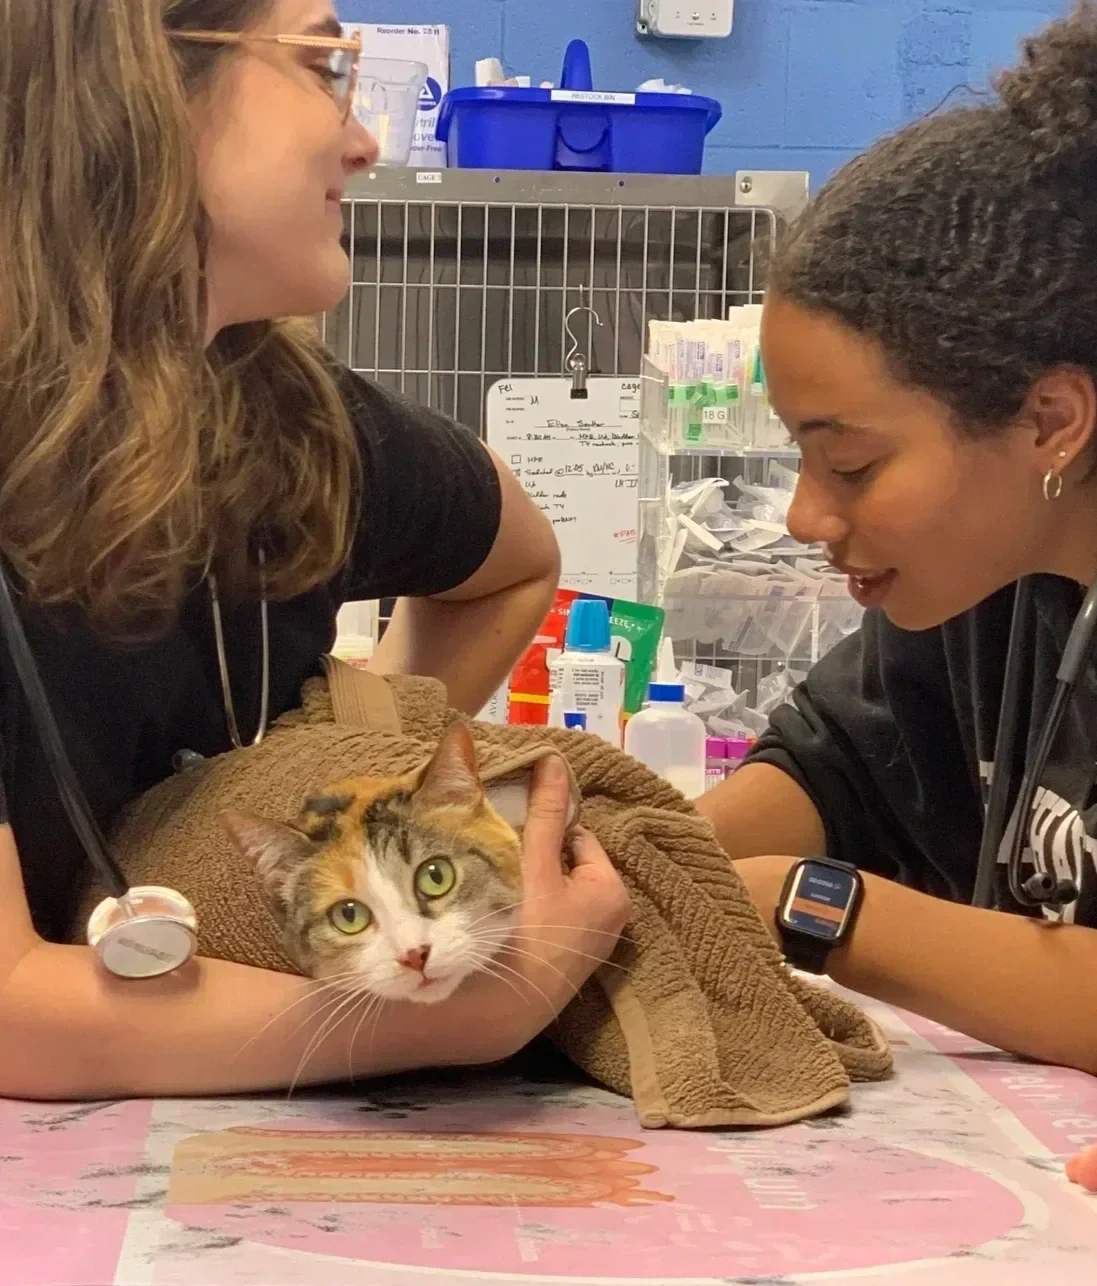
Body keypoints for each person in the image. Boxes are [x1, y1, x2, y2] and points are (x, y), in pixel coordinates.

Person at [0, 0, 629, 1101]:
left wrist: (364, 804)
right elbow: (12, 1014)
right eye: (321, 64)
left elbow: (516, 562)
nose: (365, 139)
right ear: (141, 84)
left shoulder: (295, 422)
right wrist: (474, 1014)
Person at [697, 4, 1097, 1083]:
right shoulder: (984, 585)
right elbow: (835, 769)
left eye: (851, 463)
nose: (804, 517)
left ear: (1048, 422)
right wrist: (629, 860)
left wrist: (813, 907)